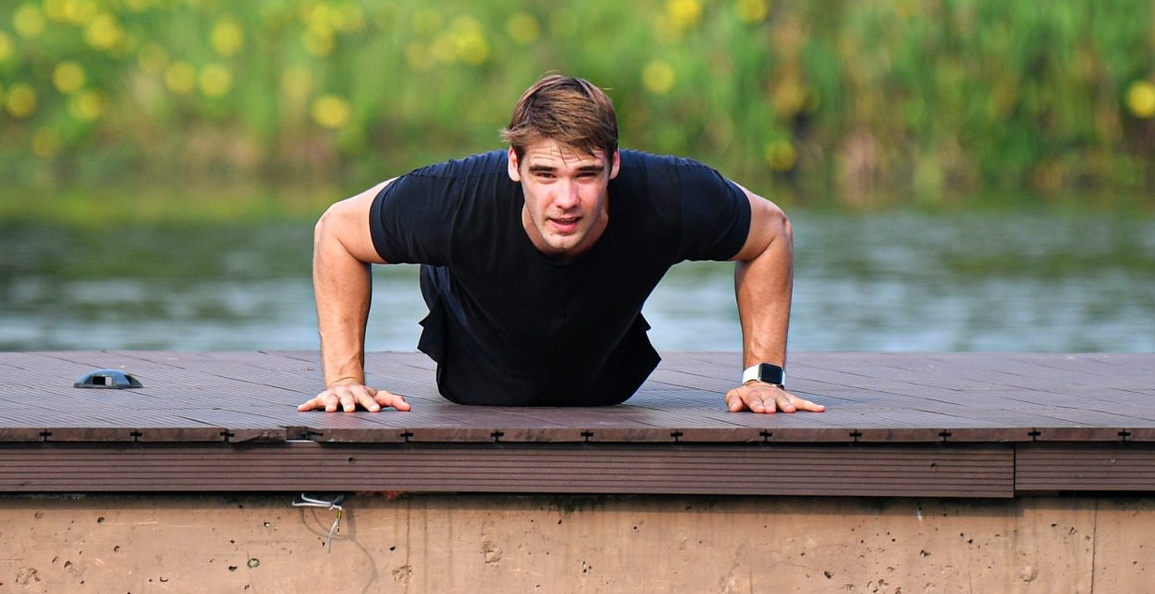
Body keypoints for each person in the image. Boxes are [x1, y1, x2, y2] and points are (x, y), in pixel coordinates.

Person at [298, 73, 823, 415]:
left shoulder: (668, 193)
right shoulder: (455, 197)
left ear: (614, 165)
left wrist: (763, 378)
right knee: (450, 256)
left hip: (604, 383)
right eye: (545, 174)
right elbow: (336, 232)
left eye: (587, 174)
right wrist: (345, 379)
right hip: (478, 379)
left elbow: (771, 232)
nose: (565, 199)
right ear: (514, 165)